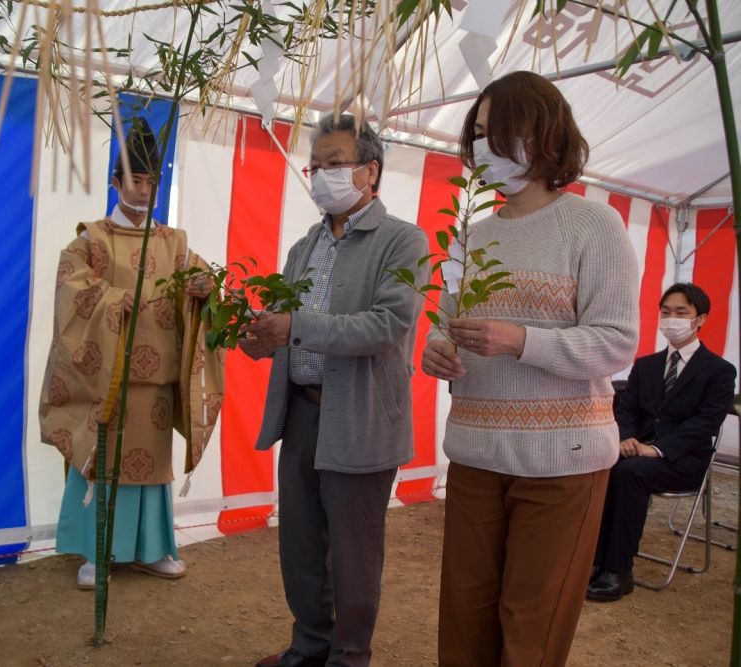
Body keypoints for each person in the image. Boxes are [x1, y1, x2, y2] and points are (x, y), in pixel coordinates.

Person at [420, 71, 639, 666]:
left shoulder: (594, 226)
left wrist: (523, 340)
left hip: (562, 461)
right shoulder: (471, 237)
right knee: (464, 616)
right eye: (479, 136)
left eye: (499, 133)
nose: (483, 150)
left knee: (531, 625)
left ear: (541, 134)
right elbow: (446, 326)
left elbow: (618, 344)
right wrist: (435, 351)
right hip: (475, 451)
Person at [240, 114, 428, 667]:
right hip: (302, 411)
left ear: (370, 171)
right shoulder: (305, 246)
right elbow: (288, 321)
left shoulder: (402, 240)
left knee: (353, 552)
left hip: (362, 416)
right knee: (299, 543)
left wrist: (294, 327)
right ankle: (309, 646)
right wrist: (261, 337)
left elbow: (387, 325)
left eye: (335, 164)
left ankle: (349, 656)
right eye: (316, 165)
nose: (321, 175)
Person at [39, 118, 224, 590]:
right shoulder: (91, 240)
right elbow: (72, 293)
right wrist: (113, 300)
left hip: (156, 379)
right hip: (108, 378)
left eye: (151, 181)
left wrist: (204, 291)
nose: (144, 190)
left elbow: (202, 287)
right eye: (135, 180)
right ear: (115, 182)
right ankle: (94, 552)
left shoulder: (174, 243)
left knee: (151, 468)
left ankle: (152, 547)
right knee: (101, 462)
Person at [588, 282, 736, 601]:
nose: (671, 318)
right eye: (666, 311)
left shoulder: (720, 371)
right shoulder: (646, 365)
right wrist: (625, 437)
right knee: (603, 463)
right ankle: (595, 560)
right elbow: (626, 409)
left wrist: (655, 449)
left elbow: (706, 423)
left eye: (681, 312)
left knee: (630, 473)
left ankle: (618, 569)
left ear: (700, 319)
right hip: (636, 451)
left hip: (684, 460)